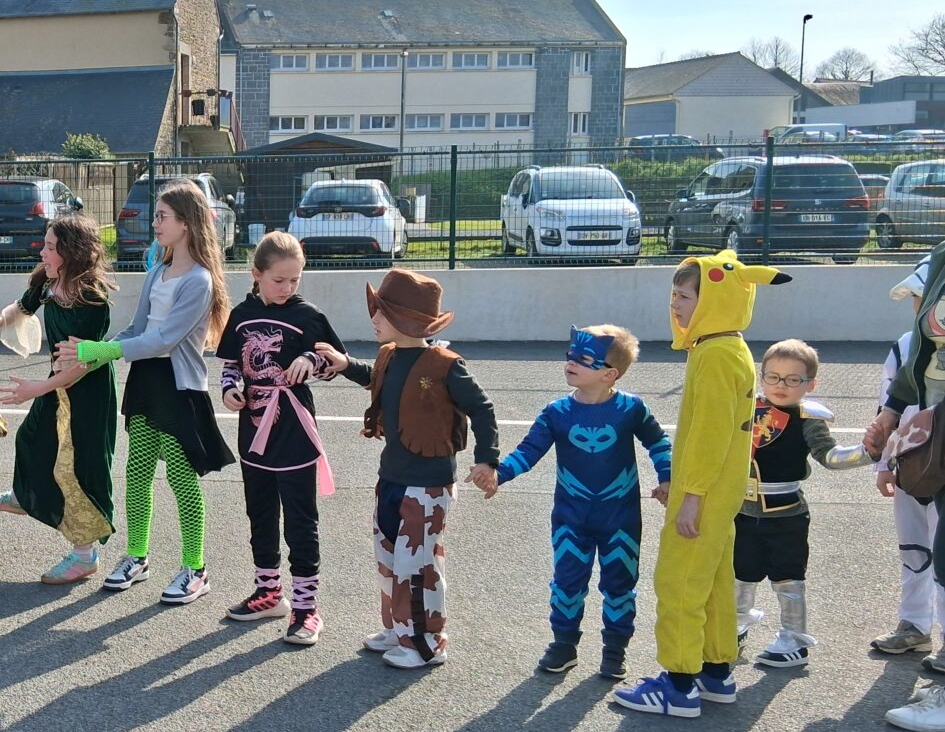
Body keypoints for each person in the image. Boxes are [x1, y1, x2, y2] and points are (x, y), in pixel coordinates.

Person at [614, 250, 788, 720]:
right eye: (674, 294)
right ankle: (715, 673)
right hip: (720, 491)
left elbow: (710, 434)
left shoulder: (714, 355)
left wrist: (690, 496)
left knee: (679, 583)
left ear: (714, 300)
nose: (675, 304)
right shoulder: (731, 348)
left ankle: (677, 684)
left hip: (704, 494)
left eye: (685, 296)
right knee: (712, 584)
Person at [57, 180, 235, 605]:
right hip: (145, 382)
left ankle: (195, 568)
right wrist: (92, 355)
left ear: (186, 223)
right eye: (156, 215)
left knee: (180, 478)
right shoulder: (157, 271)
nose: (155, 223)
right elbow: (138, 330)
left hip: (178, 387)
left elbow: (165, 340)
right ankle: (137, 556)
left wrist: (103, 351)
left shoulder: (199, 280)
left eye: (162, 216)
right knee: (137, 473)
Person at [316, 268, 499, 669]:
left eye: (381, 312)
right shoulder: (389, 356)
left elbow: (482, 409)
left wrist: (487, 459)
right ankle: (399, 628)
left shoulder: (445, 365)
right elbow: (376, 378)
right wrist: (344, 363)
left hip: (428, 485)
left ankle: (426, 643)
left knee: (417, 565)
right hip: (392, 478)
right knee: (389, 559)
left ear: (406, 319)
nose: (374, 318)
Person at [469, 326, 671, 679]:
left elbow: (658, 443)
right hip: (570, 518)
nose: (571, 362)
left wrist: (667, 478)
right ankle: (564, 645)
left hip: (620, 518)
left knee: (620, 584)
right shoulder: (557, 412)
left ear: (610, 374)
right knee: (566, 582)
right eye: (570, 356)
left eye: (584, 359)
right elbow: (529, 450)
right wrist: (499, 474)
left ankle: (615, 650)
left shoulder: (631, 409)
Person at [0, 213, 118, 584]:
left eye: (50, 247)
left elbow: (82, 365)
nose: (42, 252)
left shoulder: (92, 299)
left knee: (76, 468)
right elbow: (21, 307)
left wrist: (36, 388)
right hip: (57, 383)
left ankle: (84, 557)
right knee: (32, 439)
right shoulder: (48, 281)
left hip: (86, 393)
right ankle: (25, 495)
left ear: (71, 252)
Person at [217, 231, 344, 645]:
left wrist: (311, 359)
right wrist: (229, 390)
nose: (288, 288)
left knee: (301, 520)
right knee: (260, 513)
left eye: (295, 279)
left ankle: (306, 609)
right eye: (279, 280)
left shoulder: (308, 315)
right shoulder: (241, 314)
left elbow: (332, 361)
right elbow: (231, 365)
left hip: (294, 429)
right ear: (256, 274)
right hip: (254, 427)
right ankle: (269, 593)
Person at [731, 339, 870, 668]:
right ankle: (734, 627)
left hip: (787, 514)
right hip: (741, 510)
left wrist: (869, 452)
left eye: (793, 379)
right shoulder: (745, 408)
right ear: (761, 376)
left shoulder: (809, 418)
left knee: (788, 577)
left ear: (811, 384)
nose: (781, 385)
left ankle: (794, 639)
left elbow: (830, 457)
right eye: (773, 376)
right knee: (739, 574)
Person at [865, 246, 945, 732]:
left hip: (937, 447)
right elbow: (897, 390)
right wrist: (885, 449)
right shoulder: (941, 256)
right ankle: (915, 624)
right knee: (923, 548)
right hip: (919, 456)